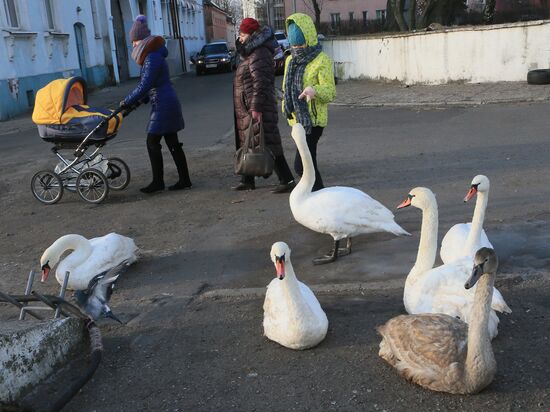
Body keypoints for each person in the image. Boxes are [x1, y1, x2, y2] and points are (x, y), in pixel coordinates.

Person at [121, 15, 192, 194]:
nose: (133, 46)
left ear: (141, 41)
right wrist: (139, 101)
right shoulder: (153, 55)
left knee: (152, 142)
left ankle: (158, 182)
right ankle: (184, 179)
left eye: (134, 42)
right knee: (172, 141)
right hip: (164, 100)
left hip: (163, 104)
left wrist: (127, 101)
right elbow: (152, 85)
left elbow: (145, 84)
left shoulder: (151, 57)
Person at [232, 17, 295, 193]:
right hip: (250, 105)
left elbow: (261, 82)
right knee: (251, 140)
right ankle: (248, 179)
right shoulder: (251, 51)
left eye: (243, 34)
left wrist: (255, 107)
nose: (240, 37)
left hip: (259, 106)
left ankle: (287, 179)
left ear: (251, 34)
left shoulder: (259, 53)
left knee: (268, 142)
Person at [282, 13, 336, 192]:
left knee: (302, 166)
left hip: (313, 121)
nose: (297, 48)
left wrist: (315, 90)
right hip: (296, 121)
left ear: (309, 38)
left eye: (301, 43)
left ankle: (319, 195)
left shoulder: (322, 60)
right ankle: (319, 196)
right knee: (308, 164)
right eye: (294, 44)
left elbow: (330, 91)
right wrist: (285, 104)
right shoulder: (290, 59)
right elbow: (286, 86)